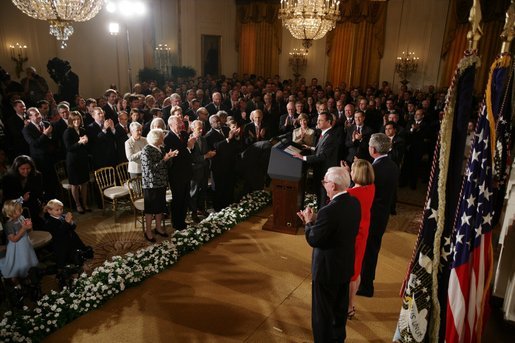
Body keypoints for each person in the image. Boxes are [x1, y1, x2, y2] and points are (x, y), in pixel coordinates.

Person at [297, 167, 361, 342]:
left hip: (326, 271)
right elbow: (339, 226)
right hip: (344, 266)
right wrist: (318, 221)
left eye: (325, 182)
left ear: (332, 185)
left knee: (322, 316)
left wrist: (309, 223)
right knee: (339, 313)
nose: (324, 184)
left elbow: (314, 240)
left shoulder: (329, 211)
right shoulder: (354, 203)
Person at [358, 133, 400, 297]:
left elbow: (363, 193)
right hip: (382, 216)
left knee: (367, 251)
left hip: (370, 216)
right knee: (372, 250)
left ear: (373, 149)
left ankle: (366, 286)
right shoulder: (393, 165)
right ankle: (367, 282)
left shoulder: (374, 170)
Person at [341, 159, 375, 319]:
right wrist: (349, 172)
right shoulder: (371, 188)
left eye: (353, 171)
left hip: (353, 235)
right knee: (356, 270)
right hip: (363, 233)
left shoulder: (351, 194)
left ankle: (348, 306)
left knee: (351, 274)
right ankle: (350, 303)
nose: (351, 173)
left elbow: (340, 198)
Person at [293, 112, 339, 208]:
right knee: (319, 196)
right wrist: (311, 149)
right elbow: (321, 150)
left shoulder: (331, 136)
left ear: (329, 122)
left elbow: (323, 155)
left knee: (323, 198)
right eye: (318, 120)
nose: (317, 122)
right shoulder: (324, 134)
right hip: (320, 171)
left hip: (324, 172)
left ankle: (321, 219)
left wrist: (303, 158)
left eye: (320, 120)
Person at [141, 129, 176, 242]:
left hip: (161, 182)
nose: (163, 139)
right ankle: (148, 232)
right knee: (150, 209)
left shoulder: (160, 148)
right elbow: (150, 169)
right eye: (162, 137)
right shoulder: (146, 150)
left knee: (160, 207)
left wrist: (169, 157)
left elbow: (166, 165)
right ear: (156, 138)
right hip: (151, 185)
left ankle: (158, 228)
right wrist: (164, 159)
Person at [0, 199, 39, 289]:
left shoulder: (21, 218)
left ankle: (27, 277)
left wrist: (29, 226)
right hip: (16, 248)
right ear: (11, 213)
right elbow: (13, 239)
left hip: (25, 245)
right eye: (19, 209)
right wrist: (24, 228)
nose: (21, 210)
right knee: (16, 264)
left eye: (21, 208)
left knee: (27, 260)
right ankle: (15, 282)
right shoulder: (8, 225)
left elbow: (28, 231)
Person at [43, 199, 93, 268]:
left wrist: (71, 222)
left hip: (72, 238)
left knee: (82, 251)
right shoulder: (49, 222)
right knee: (69, 257)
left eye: (61, 209)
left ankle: (80, 254)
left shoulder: (63, 216)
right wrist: (66, 222)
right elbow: (59, 233)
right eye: (57, 210)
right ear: (49, 210)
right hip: (62, 243)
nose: (60, 211)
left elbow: (73, 227)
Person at [1, 155, 45, 229]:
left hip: (32, 205)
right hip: (14, 209)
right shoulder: (7, 178)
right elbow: (7, 197)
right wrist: (21, 198)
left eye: (28, 168)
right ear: (16, 168)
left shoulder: (37, 175)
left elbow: (39, 193)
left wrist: (43, 206)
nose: (26, 171)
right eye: (22, 169)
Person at [62, 111, 91, 213]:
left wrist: (86, 142)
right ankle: (78, 205)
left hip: (83, 159)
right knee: (75, 184)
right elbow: (69, 148)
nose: (76, 121)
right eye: (74, 119)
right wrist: (80, 142)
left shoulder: (83, 130)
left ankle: (85, 204)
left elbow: (87, 147)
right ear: (71, 120)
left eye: (78, 119)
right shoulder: (68, 132)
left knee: (84, 183)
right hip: (73, 161)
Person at [189, 120, 215, 222]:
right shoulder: (189, 139)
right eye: (198, 128)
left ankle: (201, 209)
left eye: (201, 128)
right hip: (195, 170)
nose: (201, 130)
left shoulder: (203, 139)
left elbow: (205, 152)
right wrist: (205, 156)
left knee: (203, 190)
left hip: (204, 169)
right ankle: (193, 213)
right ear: (192, 129)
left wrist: (210, 153)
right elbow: (192, 158)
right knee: (194, 192)